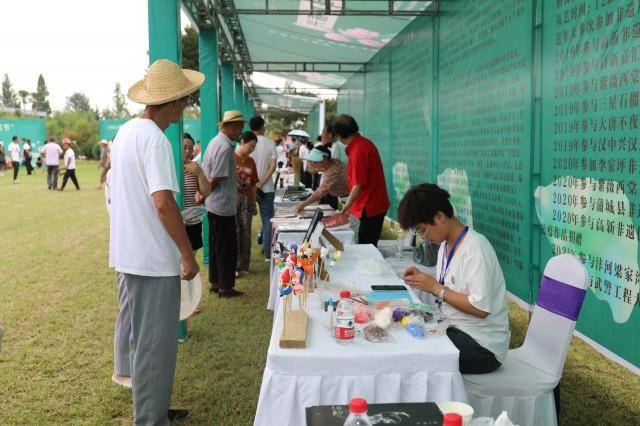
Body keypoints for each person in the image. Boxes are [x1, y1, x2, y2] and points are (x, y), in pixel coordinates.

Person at [109, 58, 202, 424]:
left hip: (132, 254)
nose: (186, 106)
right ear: (174, 101)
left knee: (148, 343)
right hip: (152, 258)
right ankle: (150, 418)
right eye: (185, 100)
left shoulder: (126, 132)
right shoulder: (156, 140)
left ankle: (153, 410)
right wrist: (187, 254)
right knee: (155, 346)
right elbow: (164, 203)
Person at [399, 184, 510, 374]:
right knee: (405, 332)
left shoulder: (475, 249)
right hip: (456, 329)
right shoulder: (445, 246)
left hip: (482, 346)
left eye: (423, 230)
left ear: (439, 216)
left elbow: (480, 308)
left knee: (413, 354)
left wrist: (436, 288)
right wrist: (426, 280)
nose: (424, 237)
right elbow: (451, 284)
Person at [202, 110, 245, 298]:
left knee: (216, 246)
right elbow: (216, 177)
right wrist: (204, 192)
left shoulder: (215, 142)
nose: (240, 132)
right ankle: (225, 287)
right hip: (221, 205)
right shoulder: (225, 147)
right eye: (238, 128)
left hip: (215, 205)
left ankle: (215, 281)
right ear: (229, 127)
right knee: (227, 248)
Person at [333, 114, 390, 247]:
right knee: (368, 245)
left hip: (370, 206)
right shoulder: (364, 143)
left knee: (366, 248)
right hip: (374, 204)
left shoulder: (358, 151)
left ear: (340, 135)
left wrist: (347, 205)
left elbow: (358, 184)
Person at [249, 116, 277, 261]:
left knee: (245, 222)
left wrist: (255, 184)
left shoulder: (246, 142)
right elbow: (273, 167)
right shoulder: (270, 143)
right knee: (267, 220)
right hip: (267, 188)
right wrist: (261, 182)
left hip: (248, 187)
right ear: (262, 127)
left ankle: (244, 257)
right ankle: (267, 253)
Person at [295, 145, 349, 212]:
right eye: (312, 161)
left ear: (325, 159)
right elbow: (314, 169)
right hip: (343, 198)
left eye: (315, 162)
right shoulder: (334, 162)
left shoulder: (333, 172)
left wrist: (302, 205)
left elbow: (319, 194)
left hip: (349, 198)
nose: (313, 164)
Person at [235, 131, 259, 275]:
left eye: (254, 147)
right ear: (242, 142)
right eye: (251, 146)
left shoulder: (251, 162)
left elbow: (254, 184)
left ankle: (244, 266)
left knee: (246, 232)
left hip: (247, 199)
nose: (252, 150)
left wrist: (254, 202)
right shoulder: (231, 157)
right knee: (235, 231)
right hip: (233, 199)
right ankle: (234, 266)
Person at [182, 134, 211, 253]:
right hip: (175, 219)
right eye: (184, 147)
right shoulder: (169, 166)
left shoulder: (195, 167)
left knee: (191, 254)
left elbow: (206, 192)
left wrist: (200, 174)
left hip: (192, 218)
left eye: (191, 147)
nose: (188, 151)